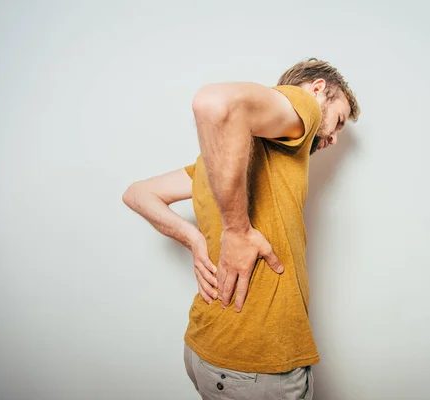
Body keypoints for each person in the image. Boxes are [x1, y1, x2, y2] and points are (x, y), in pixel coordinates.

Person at [122, 58, 360, 399]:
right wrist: (236, 231)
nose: (335, 138)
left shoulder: (215, 163)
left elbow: (138, 193)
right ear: (319, 90)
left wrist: (192, 239)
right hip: (256, 366)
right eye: (337, 121)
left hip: (207, 349)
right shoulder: (305, 103)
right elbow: (213, 102)